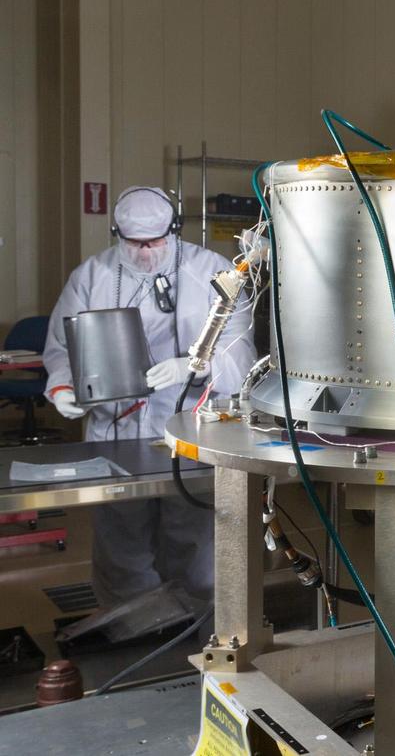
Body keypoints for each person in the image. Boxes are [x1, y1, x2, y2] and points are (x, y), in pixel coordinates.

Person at [42, 186, 256, 607]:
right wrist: (63, 385)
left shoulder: (212, 272)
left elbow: (242, 352)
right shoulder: (91, 276)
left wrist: (196, 366)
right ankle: (131, 630)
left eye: (154, 242)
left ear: (173, 230)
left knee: (193, 542)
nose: (144, 252)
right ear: (116, 233)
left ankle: (193, 628)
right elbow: (61, 346)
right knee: (121, 546)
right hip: (116, 429)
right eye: (134, 242)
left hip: (191, 430)